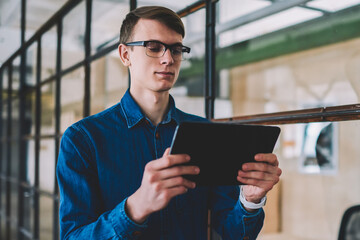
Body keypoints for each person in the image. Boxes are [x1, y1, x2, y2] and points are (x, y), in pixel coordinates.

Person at [56, 6, 282, 240]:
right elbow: (73, 236)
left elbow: (231, 233)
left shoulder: (206, 134)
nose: (168, 59)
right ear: (125, 55)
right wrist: (135, 208)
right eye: (153, 47)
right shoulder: (82, 139)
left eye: (176, 49)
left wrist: (250, 200)